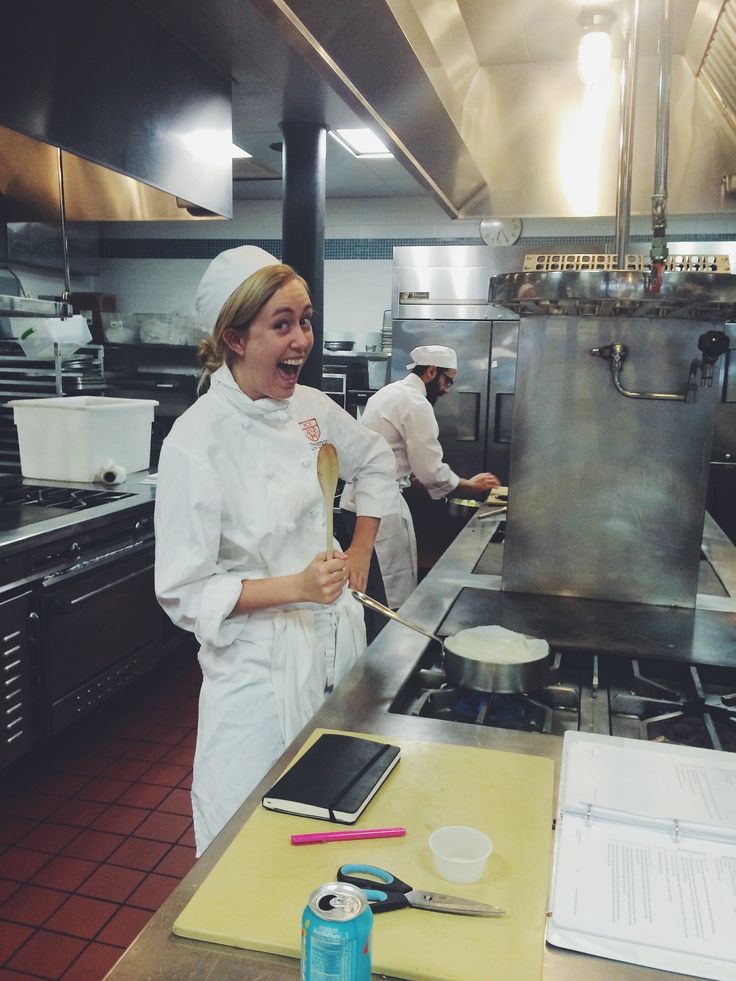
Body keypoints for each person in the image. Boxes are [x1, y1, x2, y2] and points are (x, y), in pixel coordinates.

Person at [154, 246, 399, 855]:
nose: (302, 340)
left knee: (339, 810)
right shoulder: (197, 440)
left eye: (306, 320)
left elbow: (374, 459)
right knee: (243, 832)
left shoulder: (309, 408)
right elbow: (184, 592)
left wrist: (362, 546)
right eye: (282, 324)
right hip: (255, 669)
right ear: (235, 338)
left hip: (334, 643)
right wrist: (294, 586)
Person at [341, 344, 499, 609]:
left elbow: (389, 449)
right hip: (380, 509)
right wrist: (469, 485)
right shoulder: (416, 404)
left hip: (353, 503)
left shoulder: (388, 392)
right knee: (387, 597)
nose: (448, 389)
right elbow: (431, 472)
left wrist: (410, 471)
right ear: (431, 371)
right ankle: (384, 647)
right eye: (447, 380)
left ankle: (367, 644)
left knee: (364, 591)